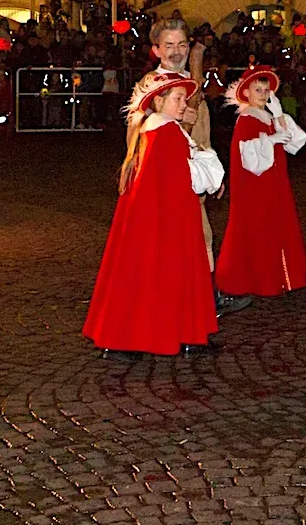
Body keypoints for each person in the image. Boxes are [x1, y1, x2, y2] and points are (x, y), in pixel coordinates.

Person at [84, 72, 224, 357]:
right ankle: (181, 333)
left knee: (139, 273)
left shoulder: (151, 131)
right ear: (158, 101)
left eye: (184, 98)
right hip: (170, 218)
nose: (184, 104)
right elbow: (192, 179)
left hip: (150, 218)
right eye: (177, 98)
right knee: (171, 273)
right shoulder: (166, 132)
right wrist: (207, 162)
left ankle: (127, 335)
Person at [126, 18, 253, 316]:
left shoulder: (190, 82)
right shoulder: (152, 86)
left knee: (202, 237)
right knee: (188, 240)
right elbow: (138, 133)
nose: (176, 51)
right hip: (170, 180)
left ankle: (203, 297)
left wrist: (213, 173)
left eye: (182, 44)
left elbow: (202, 133)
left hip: (195, 174)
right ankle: (195, 303)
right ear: (156, 50)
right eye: (169, 45)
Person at [215, 65, 306, 298]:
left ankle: (279, 276)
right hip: (257, 187)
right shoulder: (247, 118)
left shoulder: (267, 115)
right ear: (246, 92)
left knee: (275, 225)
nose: (263, 93)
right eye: (257, 89)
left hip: (274, 183)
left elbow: (294, 141)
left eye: (266, 89)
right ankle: (258, 279)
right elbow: (247, 156)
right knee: (259, 228)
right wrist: (269, 140)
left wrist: (278, 117)